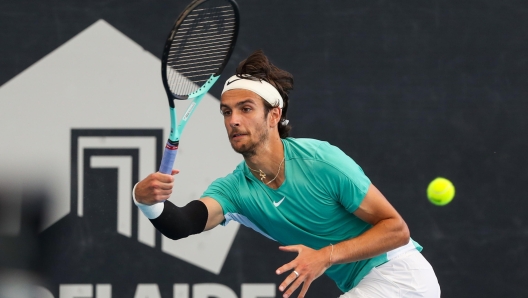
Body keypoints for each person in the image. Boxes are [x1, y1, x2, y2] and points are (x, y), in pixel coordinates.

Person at [133, 50, 441, 298]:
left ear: (274, 115)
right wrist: (146, 201)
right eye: (227, 112)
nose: (233, 120)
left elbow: (396, 229)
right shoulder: (235, 190)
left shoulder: (322, 161)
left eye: (246, 109)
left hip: (403, 277)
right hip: (364, 286)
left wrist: (324, 256)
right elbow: (182, 224)